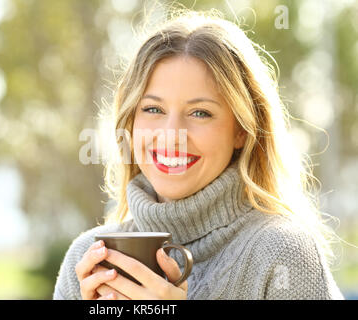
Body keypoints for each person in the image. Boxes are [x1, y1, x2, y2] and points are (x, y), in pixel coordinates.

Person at [53, 7, 344, 300]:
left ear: (241, 130)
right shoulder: (86, 258)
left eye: (200, 113)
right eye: (153, 109)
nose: (172, 135)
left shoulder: (283, 253)